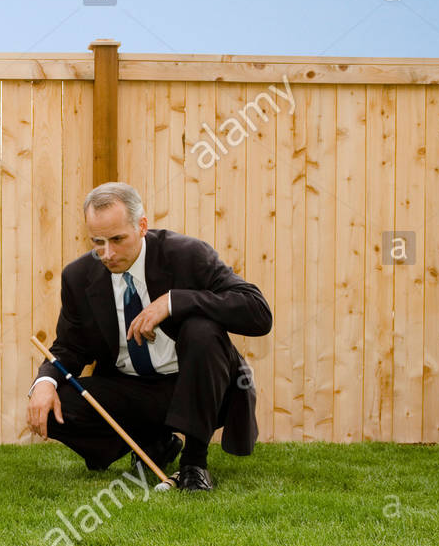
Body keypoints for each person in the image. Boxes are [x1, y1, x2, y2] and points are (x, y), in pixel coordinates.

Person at [26, 183, 272, 491]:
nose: (108, 253)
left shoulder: (186, 255)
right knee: (56, 403)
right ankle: (154, 442)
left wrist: (173, 302)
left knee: (202, 329)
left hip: (198, 385)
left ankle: (194, 463)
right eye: (97, 242)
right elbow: (69, 347)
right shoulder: (77, 277)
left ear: (142, 226)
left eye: (117, 239)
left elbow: (258, 312)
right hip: (130, 389)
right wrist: (45, 383)